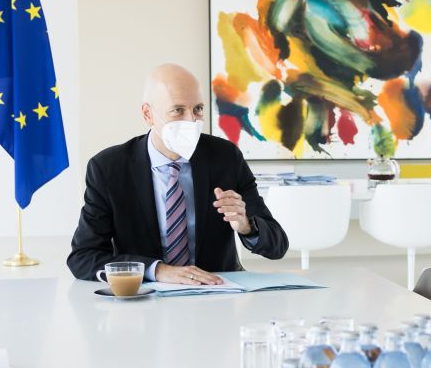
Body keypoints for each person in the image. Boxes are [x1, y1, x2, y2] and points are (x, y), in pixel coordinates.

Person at [68, 63, 288, 284]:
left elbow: (277, 246)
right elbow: (83, 257)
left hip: (217, 292)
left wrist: (247, 226)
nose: (191, 121)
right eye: (178, 110)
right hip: (146, 299)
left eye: (198, 109)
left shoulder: (226, 157)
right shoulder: (109, 168)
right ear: (148, 114)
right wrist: (157, 271)